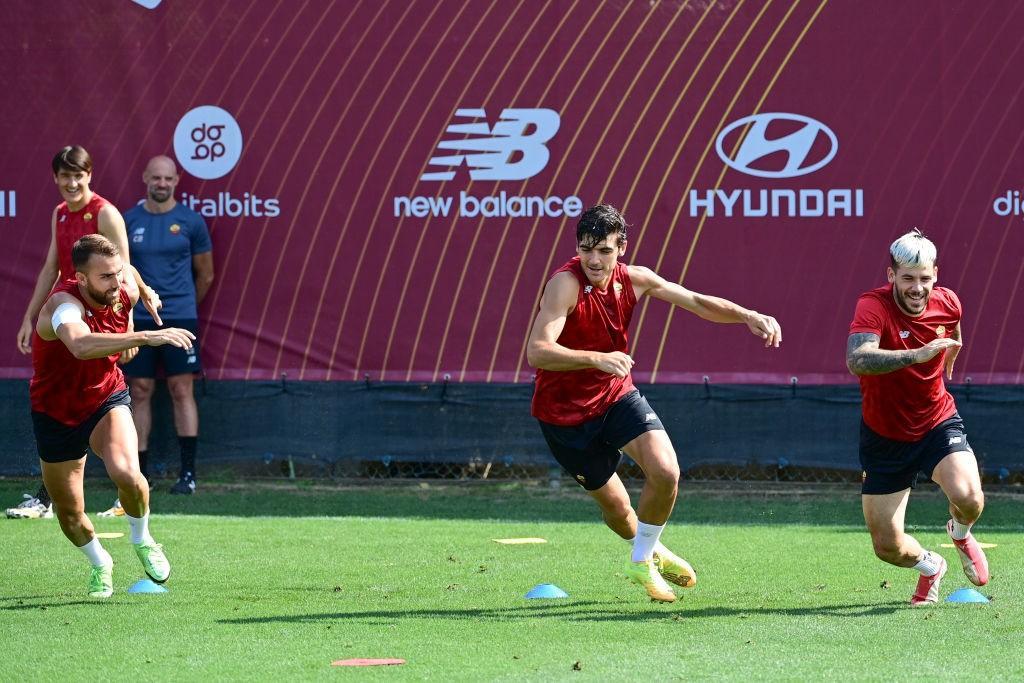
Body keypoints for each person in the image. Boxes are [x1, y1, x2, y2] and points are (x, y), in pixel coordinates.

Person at [526, 204, 782, 603]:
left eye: (604, 250)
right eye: (586, 249)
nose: (594, 259)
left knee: (666, 471)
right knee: (618, 509)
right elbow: (538, 351)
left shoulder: (636, 279)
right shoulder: (565, 283)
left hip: (615, 395)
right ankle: (650, 550)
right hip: (564, 417)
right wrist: (596, 357)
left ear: (621, 248)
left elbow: (695, 301)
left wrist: (746, 315)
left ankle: (641, 559)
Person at [32, 234, 192, 597]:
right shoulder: (63, 305)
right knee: (70, 516)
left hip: (106, 397)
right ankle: (100, 562)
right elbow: (80, 344)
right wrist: (144, 337)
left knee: (129, 476)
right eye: (105, 277)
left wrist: (145, 289)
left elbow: (130, 273)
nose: (116, 282)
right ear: (82, 278)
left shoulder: (123, 287)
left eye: (117, 273)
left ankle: (143, 538)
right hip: (56, 413)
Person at [8, 146, 162, 520]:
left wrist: (126, 326)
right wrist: (30, 317)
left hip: (103, 320)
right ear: (56, 179)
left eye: (79, 175)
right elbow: (51, 269)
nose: (72, 183)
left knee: (104, 399)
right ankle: (49, 498)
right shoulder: (59, 214)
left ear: (90, 176)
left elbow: (122, 270)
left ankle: (124, 491)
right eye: (65, 176)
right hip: (69, 315)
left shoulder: (105, 213)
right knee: (61, 395)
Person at [846, 229, 989, 606]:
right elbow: (857, 359)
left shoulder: (948, 301)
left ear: (935, 274)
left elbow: (953, 327)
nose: (916, 288)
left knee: (970, 498)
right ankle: (931, 566)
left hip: (936, 423)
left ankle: (959, 533)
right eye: (907, 278)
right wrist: (917, 355)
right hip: (884, 436)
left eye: (924, 278)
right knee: (887, 548)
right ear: (891, 275)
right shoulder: (872, 305)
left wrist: (950, 355)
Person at [119, 155, 213, 497]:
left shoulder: (191, 221)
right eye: (156, 178)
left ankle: (188, 475)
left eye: (167, 179)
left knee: (180, 390)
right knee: (139, 391)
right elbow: (121, 275)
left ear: (176, 181)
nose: (161, 183)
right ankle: (139, 477)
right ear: (145, 178)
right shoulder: (128, 221)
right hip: (139, 320)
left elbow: (206, 275)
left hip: (181, 317)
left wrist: (182, 306)